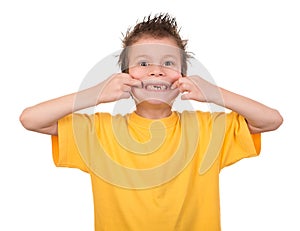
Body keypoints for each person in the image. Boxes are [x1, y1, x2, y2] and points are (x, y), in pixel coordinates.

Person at [20, 13, 283, 231]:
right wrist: (95, 94)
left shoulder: (208, 128)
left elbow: (270, 121)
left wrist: (215, 94)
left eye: (168, 63)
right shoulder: (99, 131)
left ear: (183, 79)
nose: (156, 70)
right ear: (125, 78)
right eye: (143, 62)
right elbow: (31, 119)